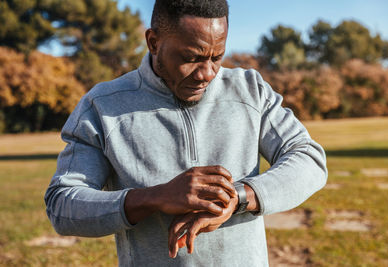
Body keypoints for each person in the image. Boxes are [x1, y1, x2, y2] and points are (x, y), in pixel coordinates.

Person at [44, 0, 327, 266]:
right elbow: (62, 204)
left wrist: (239, 197)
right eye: (191, 58)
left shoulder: (250, 90)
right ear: (153, 42)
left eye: (217, 57)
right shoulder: (102, 106)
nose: (207, 73)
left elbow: (308, 159)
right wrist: (155, 197)